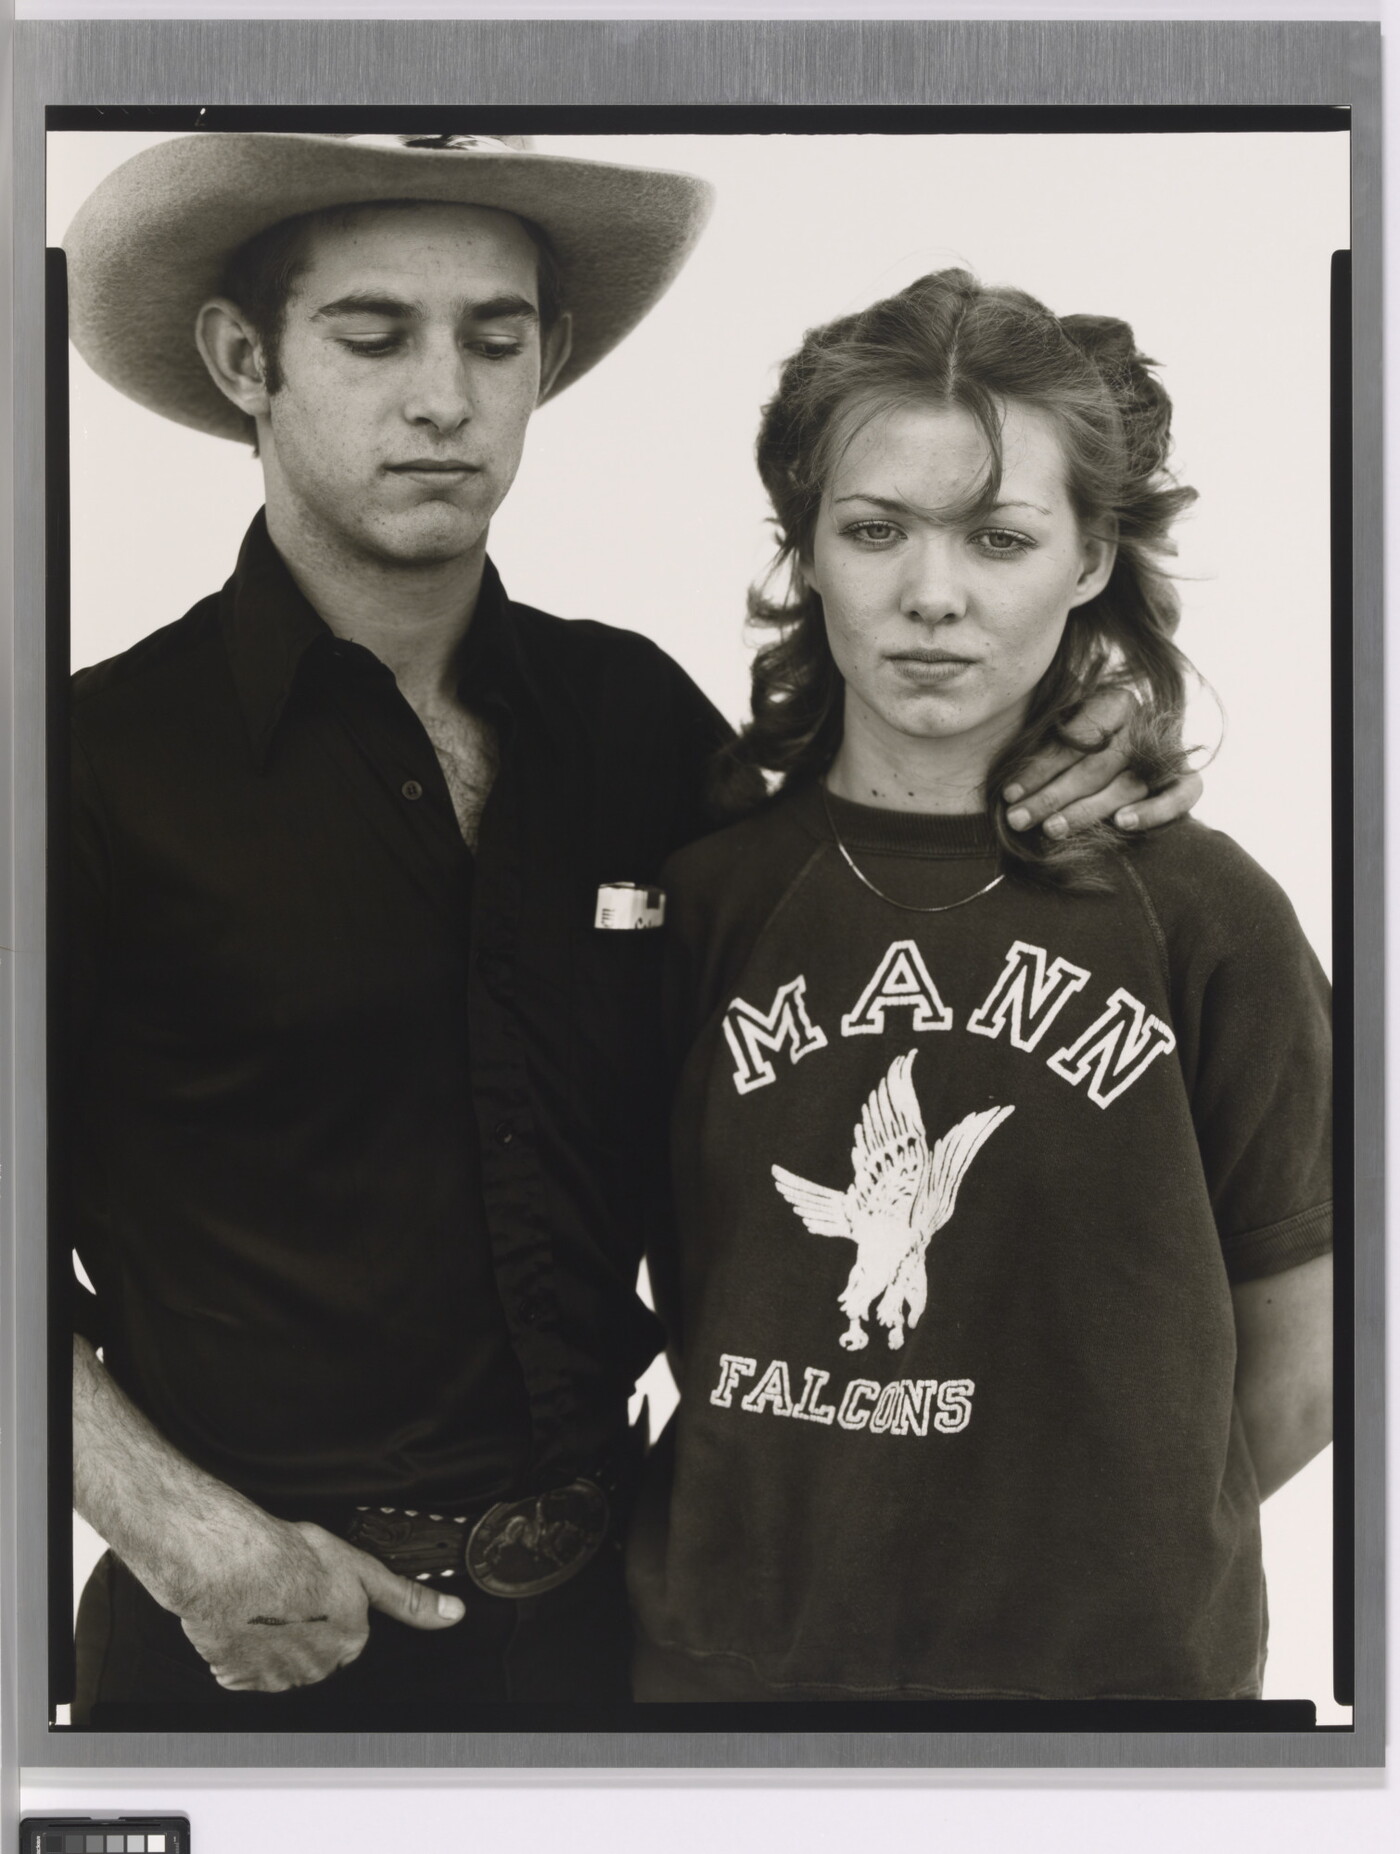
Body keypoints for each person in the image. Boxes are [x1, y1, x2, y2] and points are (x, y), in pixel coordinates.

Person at [60, 136, 1201, 1723]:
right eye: (375, 336)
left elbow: (886, 837)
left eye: (497, 336)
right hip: (248, 1651)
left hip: (619, 1643)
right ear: (246, 357)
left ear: (551, 359)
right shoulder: (84, 767)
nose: (444, 397)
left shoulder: (635, 725)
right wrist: (174, 1532)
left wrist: (1088, 714)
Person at [627, 269, 1333, 1703]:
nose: (930, 596)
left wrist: (1097, 1550)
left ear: (1087, 560)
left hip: (1110, 1712)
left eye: (999, 537)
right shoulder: (701, 896)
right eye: (874, 529)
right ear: (807, 548)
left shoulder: (1206, 915)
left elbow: (1314, 1355)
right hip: (739, 1696)